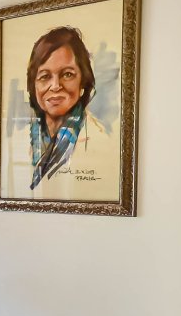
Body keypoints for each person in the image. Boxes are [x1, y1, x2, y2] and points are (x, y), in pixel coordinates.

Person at [11, 26, 118, 198]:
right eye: (45, 76)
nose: (55, 86)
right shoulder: (18, 139)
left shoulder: (102, 142)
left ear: (83, 81)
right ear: (34, 85)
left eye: (67, 74)